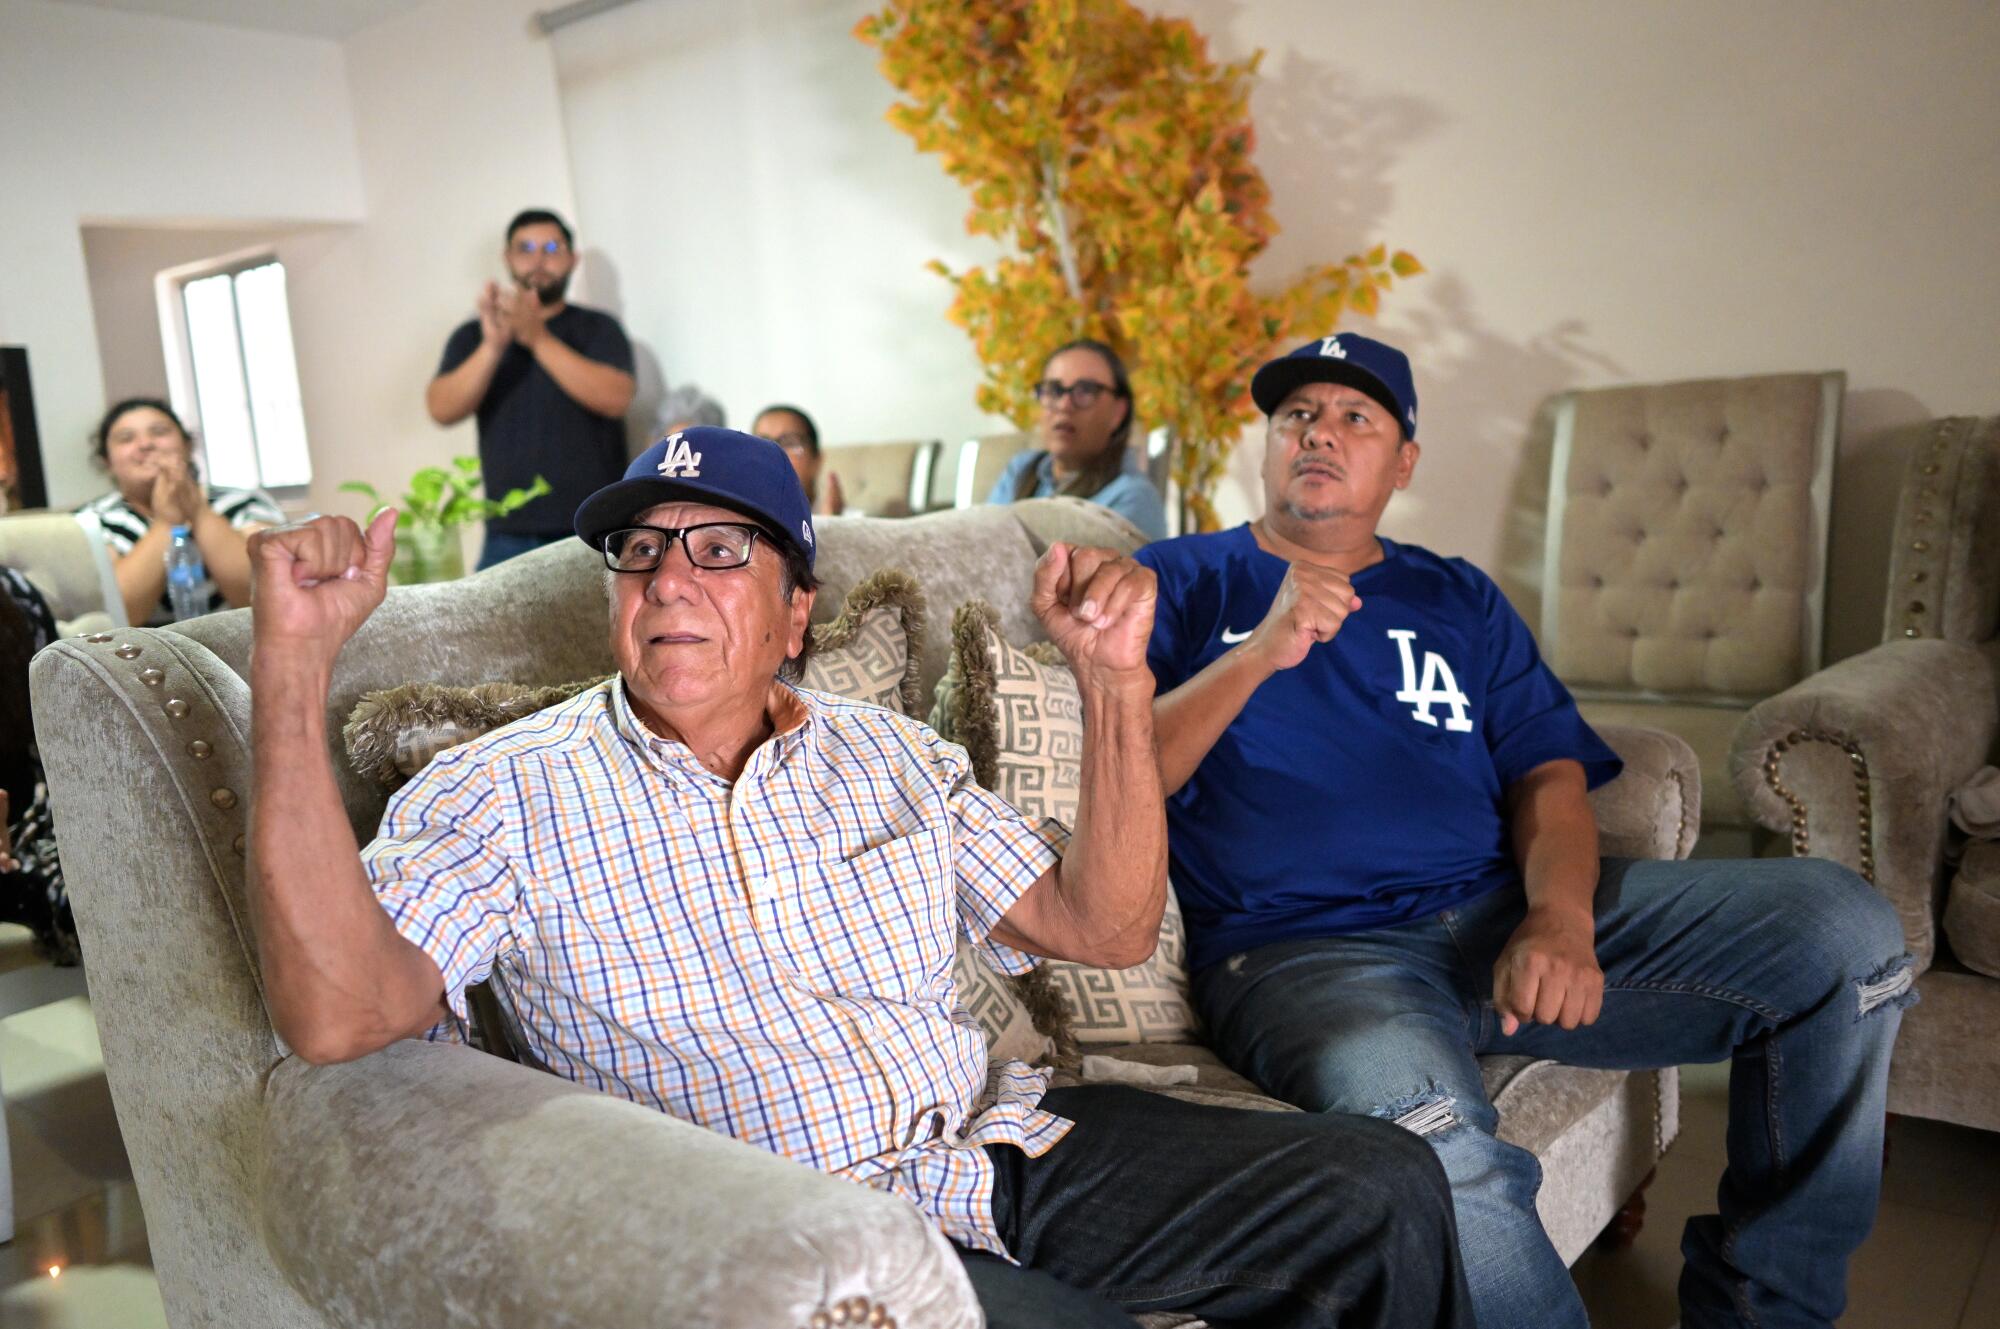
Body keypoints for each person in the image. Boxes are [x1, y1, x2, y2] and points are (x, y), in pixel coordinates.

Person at [245, 426, 1472, 1329]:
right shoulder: (500, 790)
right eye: (640, 551)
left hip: (991, 1145)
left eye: (720, 550)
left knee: (1383, 1182)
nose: (667, 578)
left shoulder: (890, 758)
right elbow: (339, 1012)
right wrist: (292, 671)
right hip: (800, 1235)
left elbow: (1099, 926)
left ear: (795, 613)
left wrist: (1112, 684)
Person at [1134, 331, 1912, 1329]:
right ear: (1265, 444)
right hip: (1304, 956)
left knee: (1843, 932)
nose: (1318, 433)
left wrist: (1557, 918)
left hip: (1493, 917)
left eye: (1353, 417)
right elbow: (1125, 775)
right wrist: (1259, 651)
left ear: (1402, 460)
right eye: (1296, 414)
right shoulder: (1179, 577)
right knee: (1426, 1137)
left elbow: (1545, 772)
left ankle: (1763, 1311)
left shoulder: (1456, 594)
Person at [426, 208, 636, 569]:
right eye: (525, 249)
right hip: (508, 535)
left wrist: (536, 337)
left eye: (552, 248)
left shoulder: (599, 329)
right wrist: (493, 346)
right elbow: (441, 408)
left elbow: (616, 398)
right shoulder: (475, 335)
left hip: (594, 531)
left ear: (572, 259)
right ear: (508, 259)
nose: (538, 260)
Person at [77, 398, 282, 625]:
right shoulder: (90, 521)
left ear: (187, 445)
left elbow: (266, 595)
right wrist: (167, 522)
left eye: (159, 432)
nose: (145, 444)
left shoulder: (245, 502)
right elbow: (120, 615)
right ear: (107, 460)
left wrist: (197, 510)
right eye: (126, 438)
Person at [985, 339, 1166, 540]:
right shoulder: (1020, 469)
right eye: (1054, 390)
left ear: (1118, 411)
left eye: (1085, 391)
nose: (1064, 405)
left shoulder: (1133, 497)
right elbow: (982, 543)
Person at [751, 403, 844, 515]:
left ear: (817, 459)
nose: (774, 453)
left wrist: (831, 523)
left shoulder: (855, 523)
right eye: (763, 444)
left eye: (790, 443)